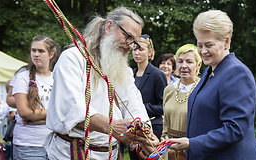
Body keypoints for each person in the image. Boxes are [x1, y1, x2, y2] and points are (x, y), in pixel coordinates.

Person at [45, 7, 159, 160]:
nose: (130, 46)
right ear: (109, 26)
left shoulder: (123, 70)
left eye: (134, 42)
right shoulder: (73, 58)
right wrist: (111, 126)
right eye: (128, 37)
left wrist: (146, 135)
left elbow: (134, 104)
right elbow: (71, 107)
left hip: (110, 154)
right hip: (72, 153)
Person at [168, 10, 256, 160]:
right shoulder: (209, 71)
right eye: (199, 44)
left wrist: (192, 143)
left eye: (209, 45)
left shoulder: (236, 73)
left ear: (226, 42)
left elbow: (235, 129)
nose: (203, 51)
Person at [12, 35, 59, 159]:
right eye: (34, 50)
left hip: (55, 144)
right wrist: (53, 116)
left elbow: (66, 112)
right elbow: (25, 113)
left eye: (41, 51)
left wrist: (38, 118)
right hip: (28, 145)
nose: (36, 54)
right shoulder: (22, 77)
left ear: (51, 54)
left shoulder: (58, 78)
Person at [161, 44, 201, 160]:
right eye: (180, 61)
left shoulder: (204, 90)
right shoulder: (168, 90)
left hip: (192, 150)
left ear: (198, 65)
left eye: (189, 62)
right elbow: (165, 128)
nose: (183, 66)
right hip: (169, 151)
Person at [132, 34, 167, 140]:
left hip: (153, 127)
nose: (137, 53)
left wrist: (140, 108)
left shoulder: (157, 74)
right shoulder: (131, 74)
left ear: (150, 52)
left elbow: (164, 106)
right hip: (134, 128)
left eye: (141, 49)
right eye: (134, 49)